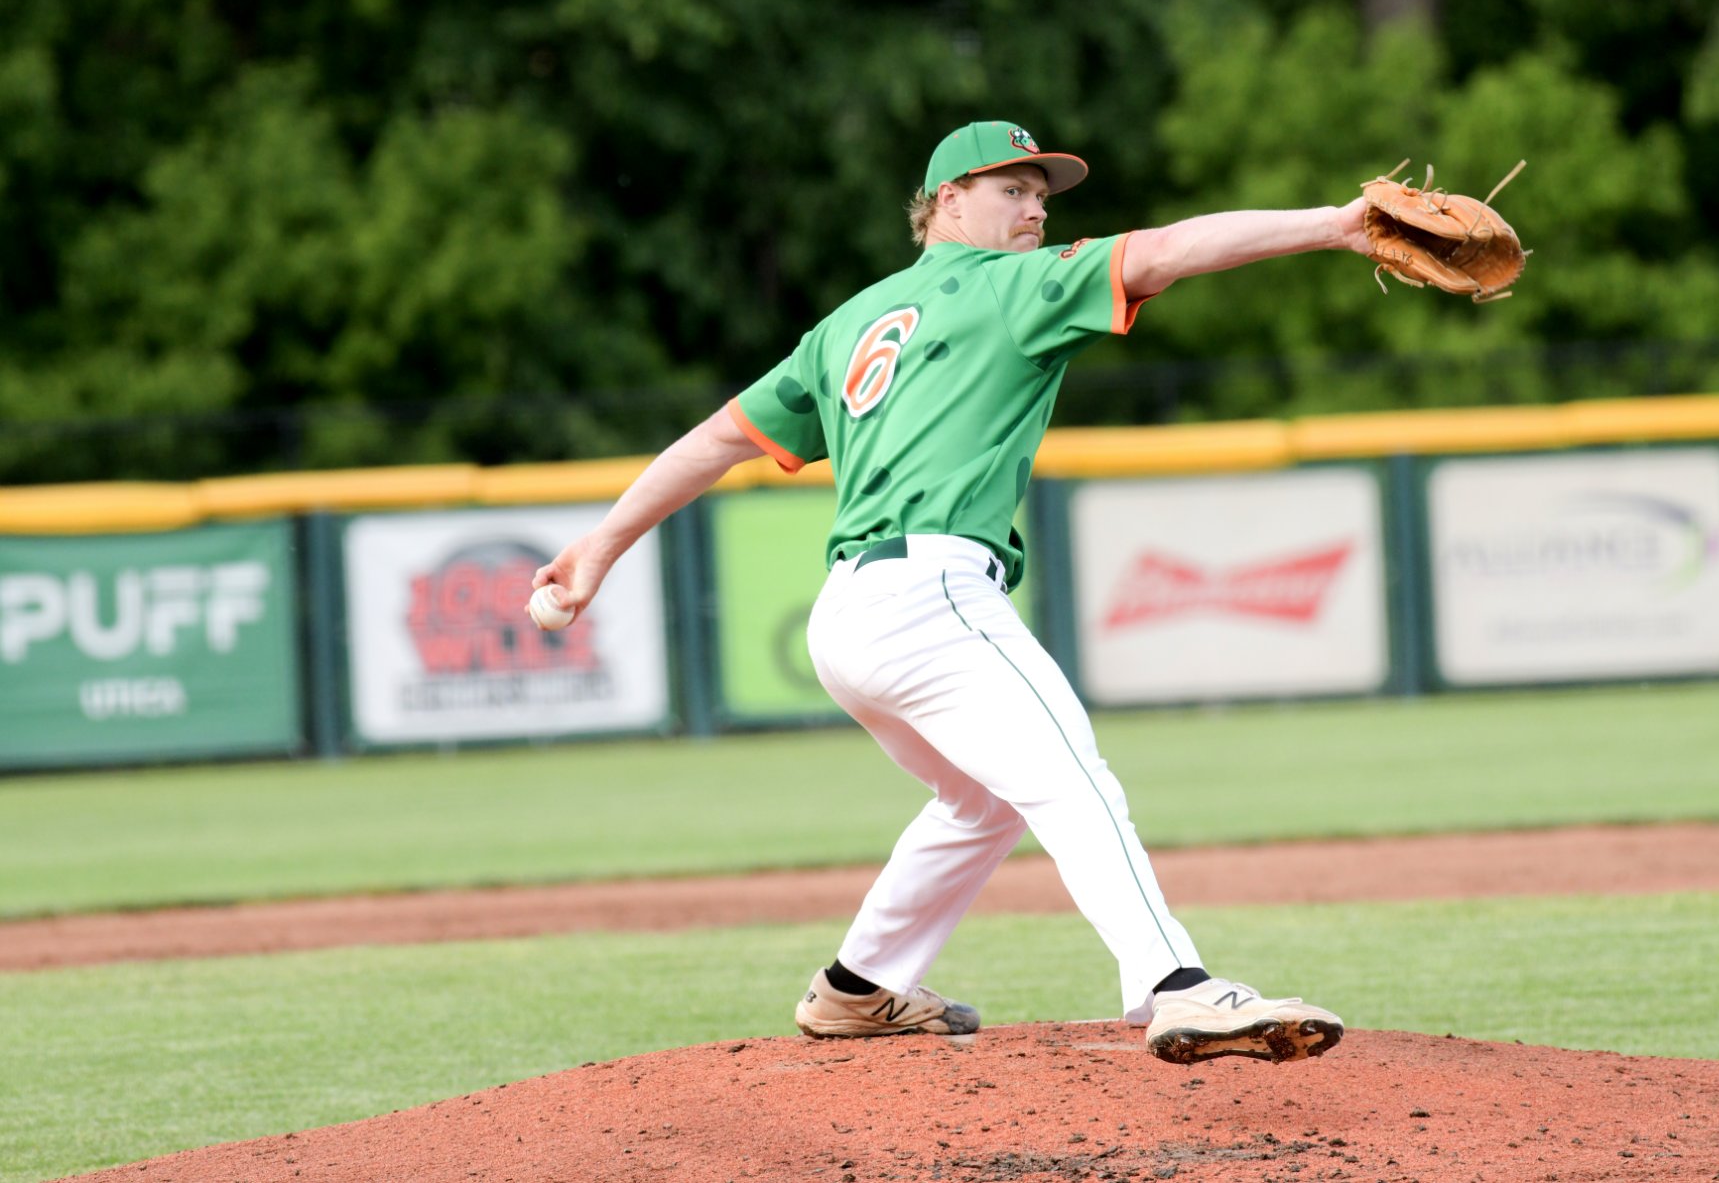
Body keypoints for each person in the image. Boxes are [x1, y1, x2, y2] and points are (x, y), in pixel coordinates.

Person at [533, 120, 1378, 1065]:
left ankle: (859, 987)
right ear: (945, 202)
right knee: (1070, 775)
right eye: (1011, 189)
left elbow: (718, 439)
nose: (1035, 208)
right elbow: (1171, 250)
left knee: (983, 803)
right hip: (930, 595)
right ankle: (1175, 984)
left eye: (1042, 196)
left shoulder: (848, 323)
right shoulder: (1012, 285)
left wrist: (600, 546)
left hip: (850, 616)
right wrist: (1336, 225)